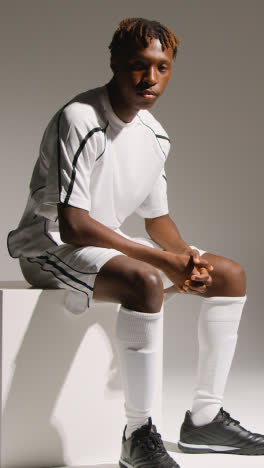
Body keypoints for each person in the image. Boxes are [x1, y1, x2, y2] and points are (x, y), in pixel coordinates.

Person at [7, 17, 264, 468]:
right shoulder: (80, 118)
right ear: (114, 62)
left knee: (230, 275)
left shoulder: (155, 136)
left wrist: (183, 258)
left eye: (162, 67)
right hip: (47, 247)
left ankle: (204, 420)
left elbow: (158, 221)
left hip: (106, 242)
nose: (150, 79)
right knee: (145, 282)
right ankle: (138, 433)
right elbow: (72, 226)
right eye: (138, 66)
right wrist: (163, 263)